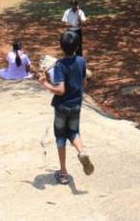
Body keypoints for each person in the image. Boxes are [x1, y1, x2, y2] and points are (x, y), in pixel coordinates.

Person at [37, 30, 94, 185]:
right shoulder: (82, 61)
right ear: (76, 47)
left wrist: (45, 83)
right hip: (76, 105)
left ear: (61, 47)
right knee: (74, 132)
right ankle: (82, 152)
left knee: (61, 137)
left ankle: (63, 172)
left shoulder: (60, 65)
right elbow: (84, 83)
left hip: (62, 107)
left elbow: (60, 90)